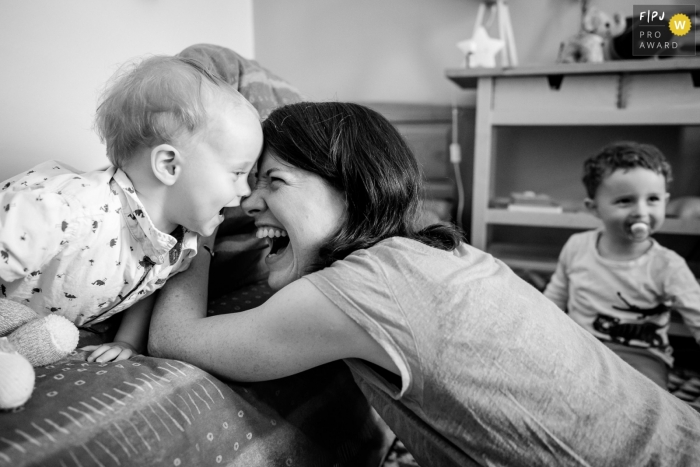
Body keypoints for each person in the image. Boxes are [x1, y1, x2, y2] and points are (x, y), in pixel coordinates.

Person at [149, 103, 700, 466]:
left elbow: (174, 338)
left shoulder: (357, 289)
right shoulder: (440, 250)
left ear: (354, 188)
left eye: (274, 180)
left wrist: (193, 227)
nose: (247, 203)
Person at [0, 56, 262, 363]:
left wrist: (127, 342)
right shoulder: (72, 209)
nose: (246, 192)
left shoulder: (179, 243)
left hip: (40, 326)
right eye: (237, 173)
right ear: (169, 165)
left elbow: (145, 288)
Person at [544, 141, 700, 389]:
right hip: (581, 344)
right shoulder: (577, 246)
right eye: (625, 201)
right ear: (594, 208)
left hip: (642, 356)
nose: (641, 211)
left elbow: (697, 316)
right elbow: (555, 296)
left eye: (652, 199)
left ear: (665, 201)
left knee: (644, 399)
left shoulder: (668, 265)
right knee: (557, 385)